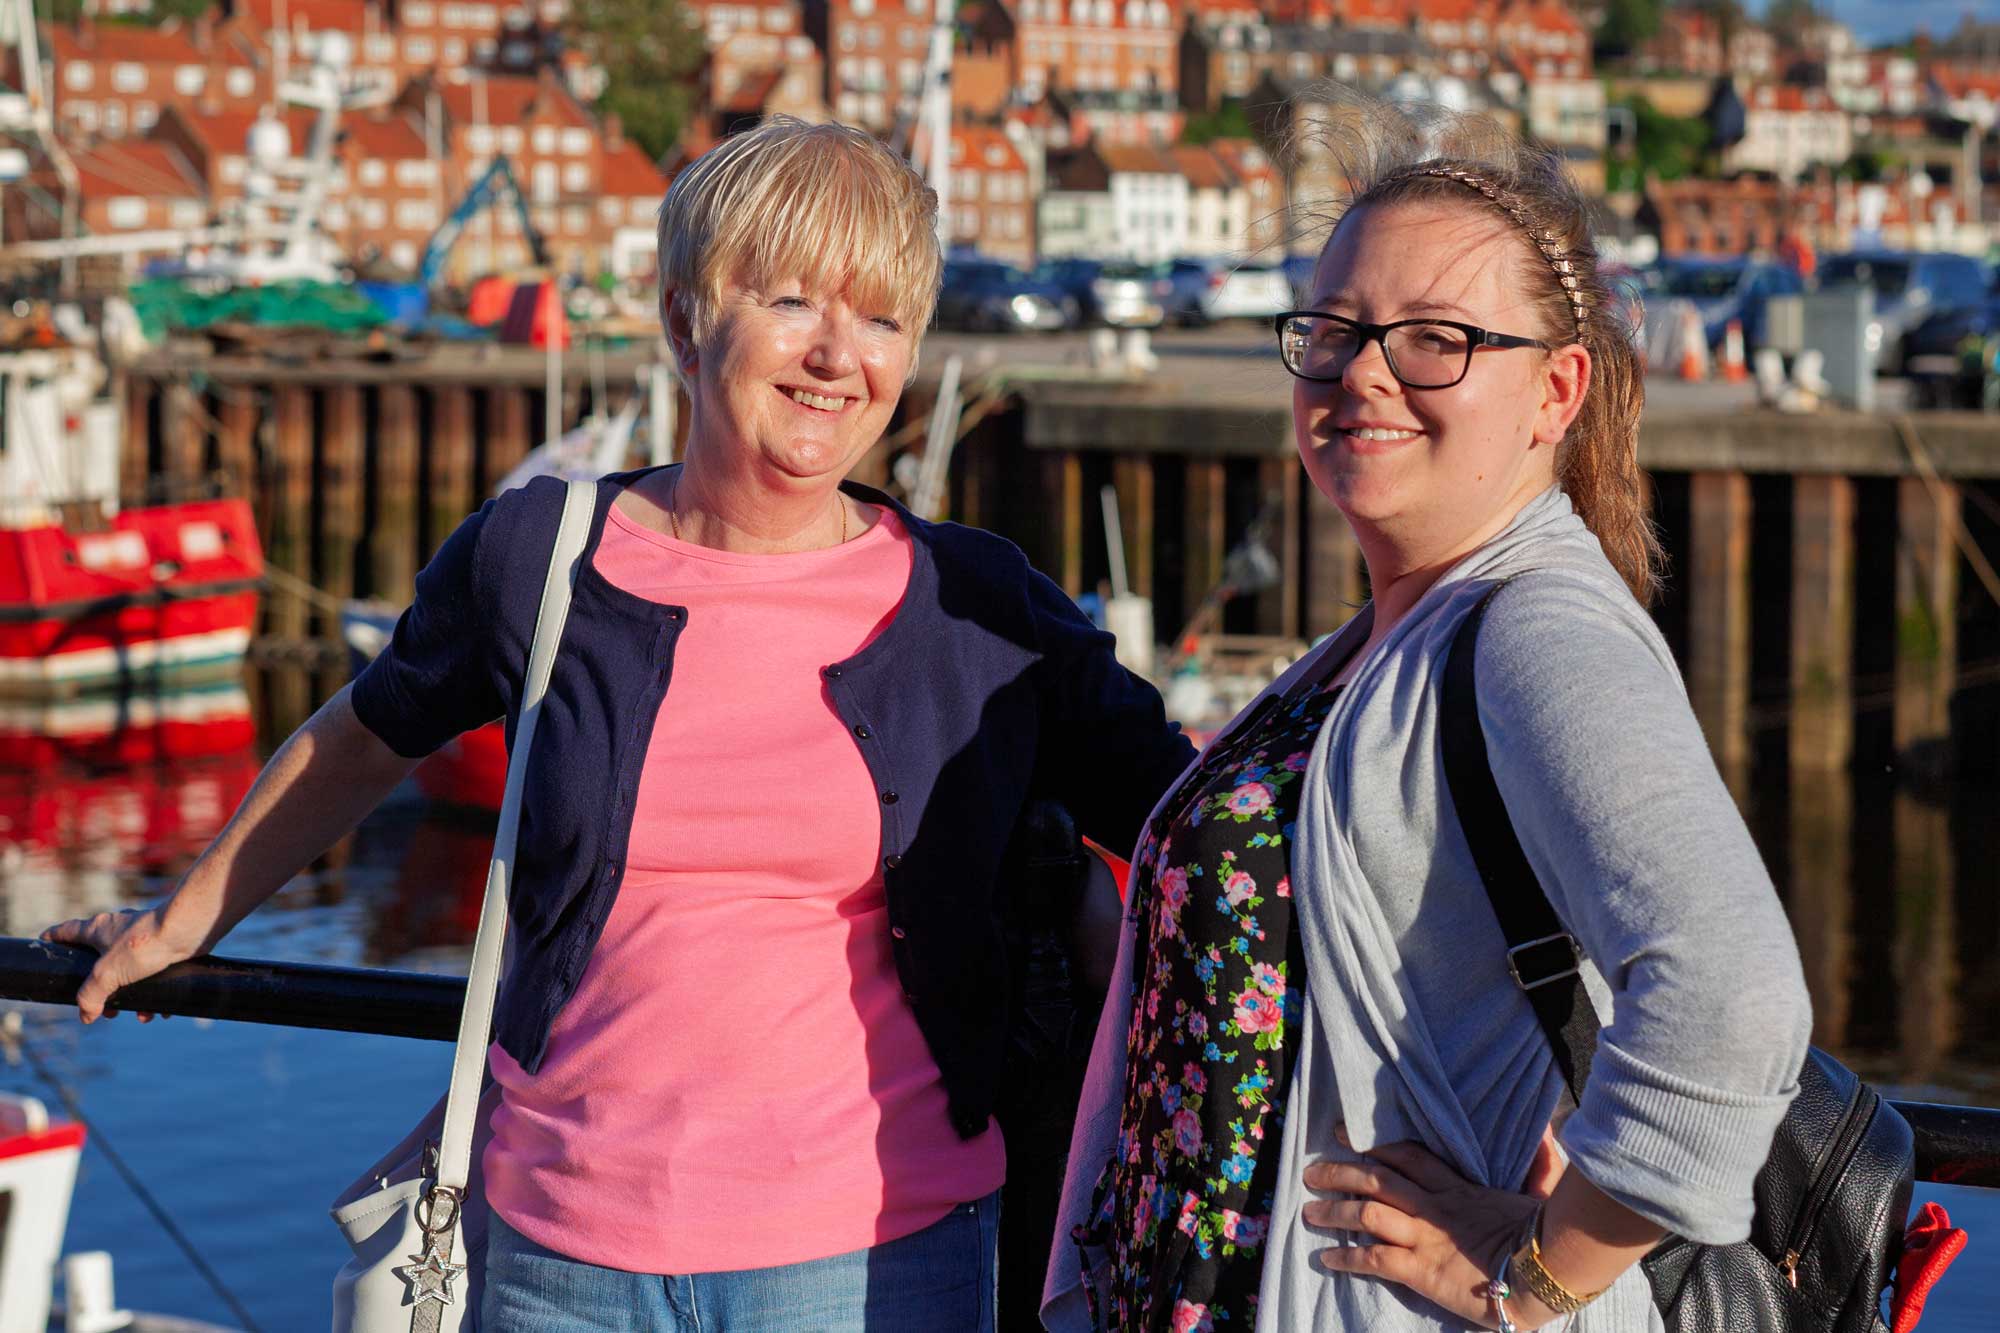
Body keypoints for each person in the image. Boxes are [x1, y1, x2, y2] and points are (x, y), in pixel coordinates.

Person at [43, 118, 1196, 1332]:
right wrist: (181, 921)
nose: (834, 355)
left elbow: (1191, 814)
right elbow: (367, 734)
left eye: (880, 318)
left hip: (874, 1261)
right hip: (561, 1251)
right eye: (792, 298)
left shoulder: (975, 603)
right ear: (686, 316)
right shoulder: (540, 560)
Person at [1046, 103, 1812, 1333]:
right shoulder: (1382, 638)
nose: (1362, 372)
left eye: (1434, 340)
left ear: (1554, 389)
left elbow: (1731, 999)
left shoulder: (1535, 628)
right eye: (1335, 331)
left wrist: (1540, 1275)